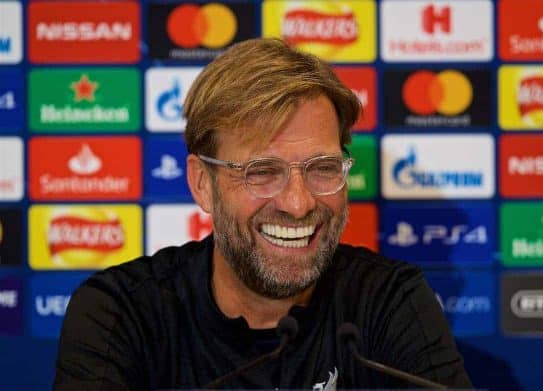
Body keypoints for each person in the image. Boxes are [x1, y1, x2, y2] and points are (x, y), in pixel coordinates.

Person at [54, 38, 472, 390]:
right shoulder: (120, 314)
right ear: (203, 183)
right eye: (262, 172)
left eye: (322, 168)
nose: (298, 203)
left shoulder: (387, 301)